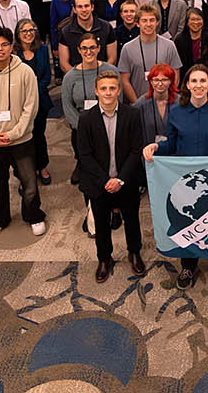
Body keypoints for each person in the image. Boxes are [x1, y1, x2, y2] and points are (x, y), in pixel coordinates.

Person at [143, 64, 208, 291]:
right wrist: (157, 146)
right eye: (193, 81)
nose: (198, 86)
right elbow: (172, 143)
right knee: (188, 220)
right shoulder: (176, 110)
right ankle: (188, 265)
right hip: (186, 180)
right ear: (187, 85)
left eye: (202, 81)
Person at [0, 27, 46, 239]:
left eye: (4, 44)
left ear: (12, 46)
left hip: (21, 140)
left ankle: (34, 216)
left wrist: (14, 133)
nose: (0, 49)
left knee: (29, 182)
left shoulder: (25, 72)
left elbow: (31, 107)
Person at [76, 70, 147, 283]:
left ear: (119, 91)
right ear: (96, 91)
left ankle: (134, 253)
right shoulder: (86, 119)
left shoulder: (132, 114)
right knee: (102, 223)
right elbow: (84, 155)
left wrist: (120, 179)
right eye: (104, 89)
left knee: (132, 220)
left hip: (126, 180)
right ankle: (104, 258)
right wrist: (105, 181)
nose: (108, 92)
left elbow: (136, 150)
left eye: (112, 88)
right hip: (98, 183)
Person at [63, 32, 120, 189]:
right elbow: (67, 107)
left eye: (92, 47)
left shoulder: (111, 71)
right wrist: (83, 127)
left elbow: (118, 100)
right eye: (84, 48)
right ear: (79, 50)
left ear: (99, 48)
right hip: (81, 127)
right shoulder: (70, 77)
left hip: (109, 121)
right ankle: (81, 165)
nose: (89, 52)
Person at [14, 19, 54, 185]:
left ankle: (42, 166)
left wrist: (33, 93)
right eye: (24, 31)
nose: (28, 33)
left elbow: (46, 77)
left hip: (40, 101)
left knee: (38, 135)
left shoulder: (43, 50)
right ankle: (25, 172)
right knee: (22, 138)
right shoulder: (13, 53)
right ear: (18, 34)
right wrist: (26, 95)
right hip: (19, 103)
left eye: (32, 30)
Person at [118, 4, 183, 102]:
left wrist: (167, 98)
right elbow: (124, 80)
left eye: (152, 20)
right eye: (144, 20)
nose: (148, 24)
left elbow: (175, 76)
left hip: (164, 102)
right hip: (137, 105)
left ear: (157, 22)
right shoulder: (127, 48)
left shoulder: (169, 46)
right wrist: (137, 104)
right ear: (137, 23)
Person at [132, 63, 178, 148]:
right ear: (151, 81)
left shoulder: (180, 103)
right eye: (156, 80)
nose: (160, 84)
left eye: (164, 80)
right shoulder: (140, 105)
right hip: (149, 155)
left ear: (171, 81)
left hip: (175, 155)